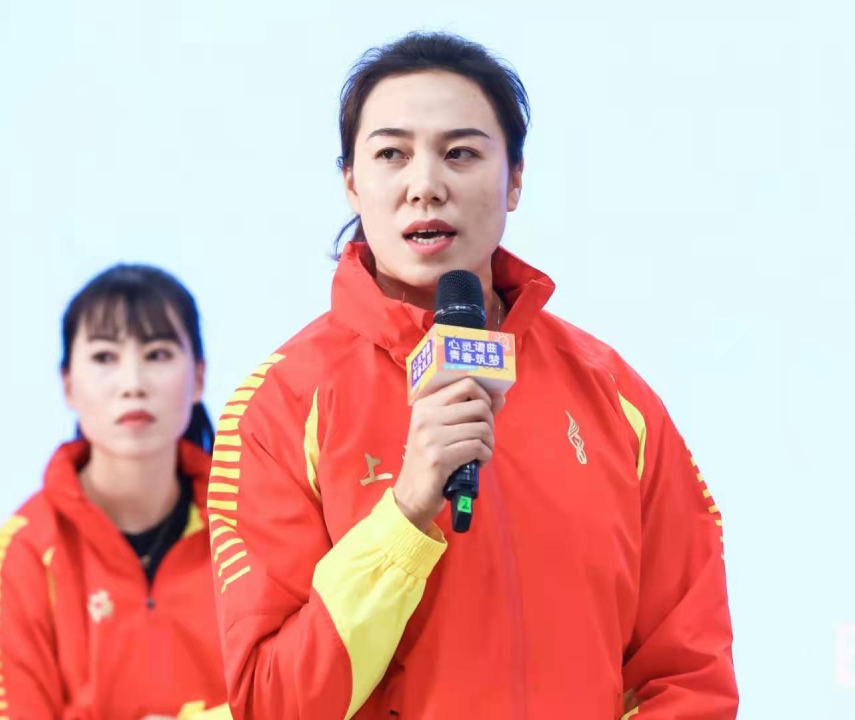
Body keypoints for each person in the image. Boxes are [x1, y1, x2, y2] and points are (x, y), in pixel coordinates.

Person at [208, 32, 738, 719]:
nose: (426, 186)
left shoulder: (615, 397)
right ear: (351, 182)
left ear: (514, 180)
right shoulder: (281, 406)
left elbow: (689, 675)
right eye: (392, 154)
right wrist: (405, 513)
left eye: (460, 153)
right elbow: (271, 702)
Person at [0, 265, 231, 720]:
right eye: (104, 357)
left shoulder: (252, 537)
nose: (132, 384)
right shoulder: (14, 562)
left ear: (198, 377)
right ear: (67, 385)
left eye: (158, 354)